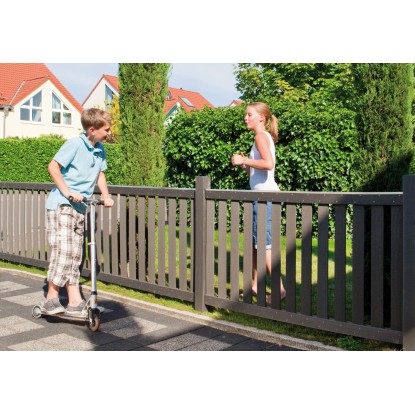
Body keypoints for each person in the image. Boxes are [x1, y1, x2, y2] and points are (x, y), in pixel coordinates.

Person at [39, 108, 114, 317]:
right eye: (106, 129)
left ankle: (74, 301)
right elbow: (53, 167)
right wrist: (68, 192)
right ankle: (50, 299)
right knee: (63, 252)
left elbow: (100, 174)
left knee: (75, 255)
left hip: (80, 207)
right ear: (92, 129)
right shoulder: (74, 144)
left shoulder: (99, 149)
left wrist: (106, 195)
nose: (109, 133)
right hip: (62, 204)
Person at [231, 102, 286, 302]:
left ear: (261, 118)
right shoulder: (262, 137)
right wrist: (245, 164)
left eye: (249, 114)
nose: (245, 118)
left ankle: (280, 291)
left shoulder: (260, 137)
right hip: (261, 197)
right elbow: (258, 172)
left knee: (264, 245)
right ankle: (255, 285)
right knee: (257, 245)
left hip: (265, 199)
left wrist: (244, 160)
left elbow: (268, 164)